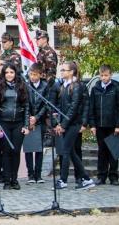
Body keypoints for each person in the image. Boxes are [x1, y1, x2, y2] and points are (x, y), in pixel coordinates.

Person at [51, 61, 94, 190]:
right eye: (62, 70)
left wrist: (63, 125)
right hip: (67, 123)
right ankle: (86, 179)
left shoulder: (76, 86)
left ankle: (63, 180)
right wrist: (58, 123)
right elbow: (61, 107)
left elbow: (73, 108)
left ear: (71, 72)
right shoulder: (65, 85)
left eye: (64, 70)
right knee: (71, 152)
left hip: (74, 123)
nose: (62, 72)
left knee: (66, 151)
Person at [0, 62, 30, 190]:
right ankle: (6, 180)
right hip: (4, 123)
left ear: (15, 73)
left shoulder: (21, 86)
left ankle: (14, 179)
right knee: (6, 152)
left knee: (16, 151)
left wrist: (26, 124)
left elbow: (26, 107)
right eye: (7, 72)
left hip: (18, 122)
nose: (9, 75)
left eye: (11, 72)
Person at [88, 64, 119, 186]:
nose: (103, 78)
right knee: (102, 151)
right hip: (100, 124)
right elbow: (92, 108)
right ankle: (101, 175)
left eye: (106, 75)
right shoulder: (96, 89)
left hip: (112, 125)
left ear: (111, 75)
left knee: (113, 151)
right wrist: (93, 125)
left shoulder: (116, 88)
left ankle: (113, 176)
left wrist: (117, 125)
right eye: (101, 76)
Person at [25, 63, 49, 184]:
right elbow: (25, 103)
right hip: (28, 120)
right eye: (31, 74)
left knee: (39, 147)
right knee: (29, 147)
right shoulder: (26, 85)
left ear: (41, 74)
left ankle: (38, 174)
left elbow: (46, 104)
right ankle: (30, 174)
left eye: (35, 75)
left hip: (40, 120)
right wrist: (29, 119)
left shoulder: (45, 86)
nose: (32, 77)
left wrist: (37, 117)